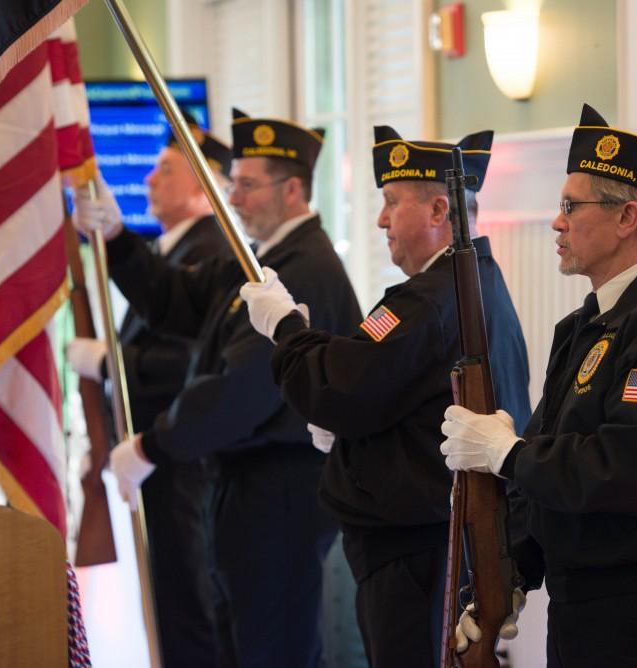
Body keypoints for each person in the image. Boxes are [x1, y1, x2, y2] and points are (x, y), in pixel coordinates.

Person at [441, 103, 637, 668]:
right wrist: (510, 574)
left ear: (627, 217)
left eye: (570, 206)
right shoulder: (591, 325)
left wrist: (508, 454)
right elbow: (550, 473)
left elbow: (625, 473)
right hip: (585, 605)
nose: (555, 223)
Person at [72, 108, 362, 667]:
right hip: (246, 489)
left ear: (294, 189)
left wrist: (152, 445)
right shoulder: (263, 259)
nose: (234, 198)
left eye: (247, 187)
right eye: (233, 185)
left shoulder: (302, 269)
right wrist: (116, 235)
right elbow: (178, 300)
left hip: (280, 490)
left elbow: (242, 388)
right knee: (240, 642)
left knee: (271, 650)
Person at [239, 125, 531, 668]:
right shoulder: (477, 284)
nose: (380, 219)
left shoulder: (429, 299)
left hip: (416, 552)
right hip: (437, 538)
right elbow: (389, 393)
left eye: (392, 203)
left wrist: (285, 327)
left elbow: (339, 385)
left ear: (439, 210)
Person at [67, 123, 231, 667]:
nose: (148, 178)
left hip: (186, 464)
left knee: (188, 609)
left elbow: (195, 362)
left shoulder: (211, 249)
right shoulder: (173, 248)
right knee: (168, 606)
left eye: (165, 169)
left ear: (204, 187)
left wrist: (112, 364)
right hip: (158, 461)